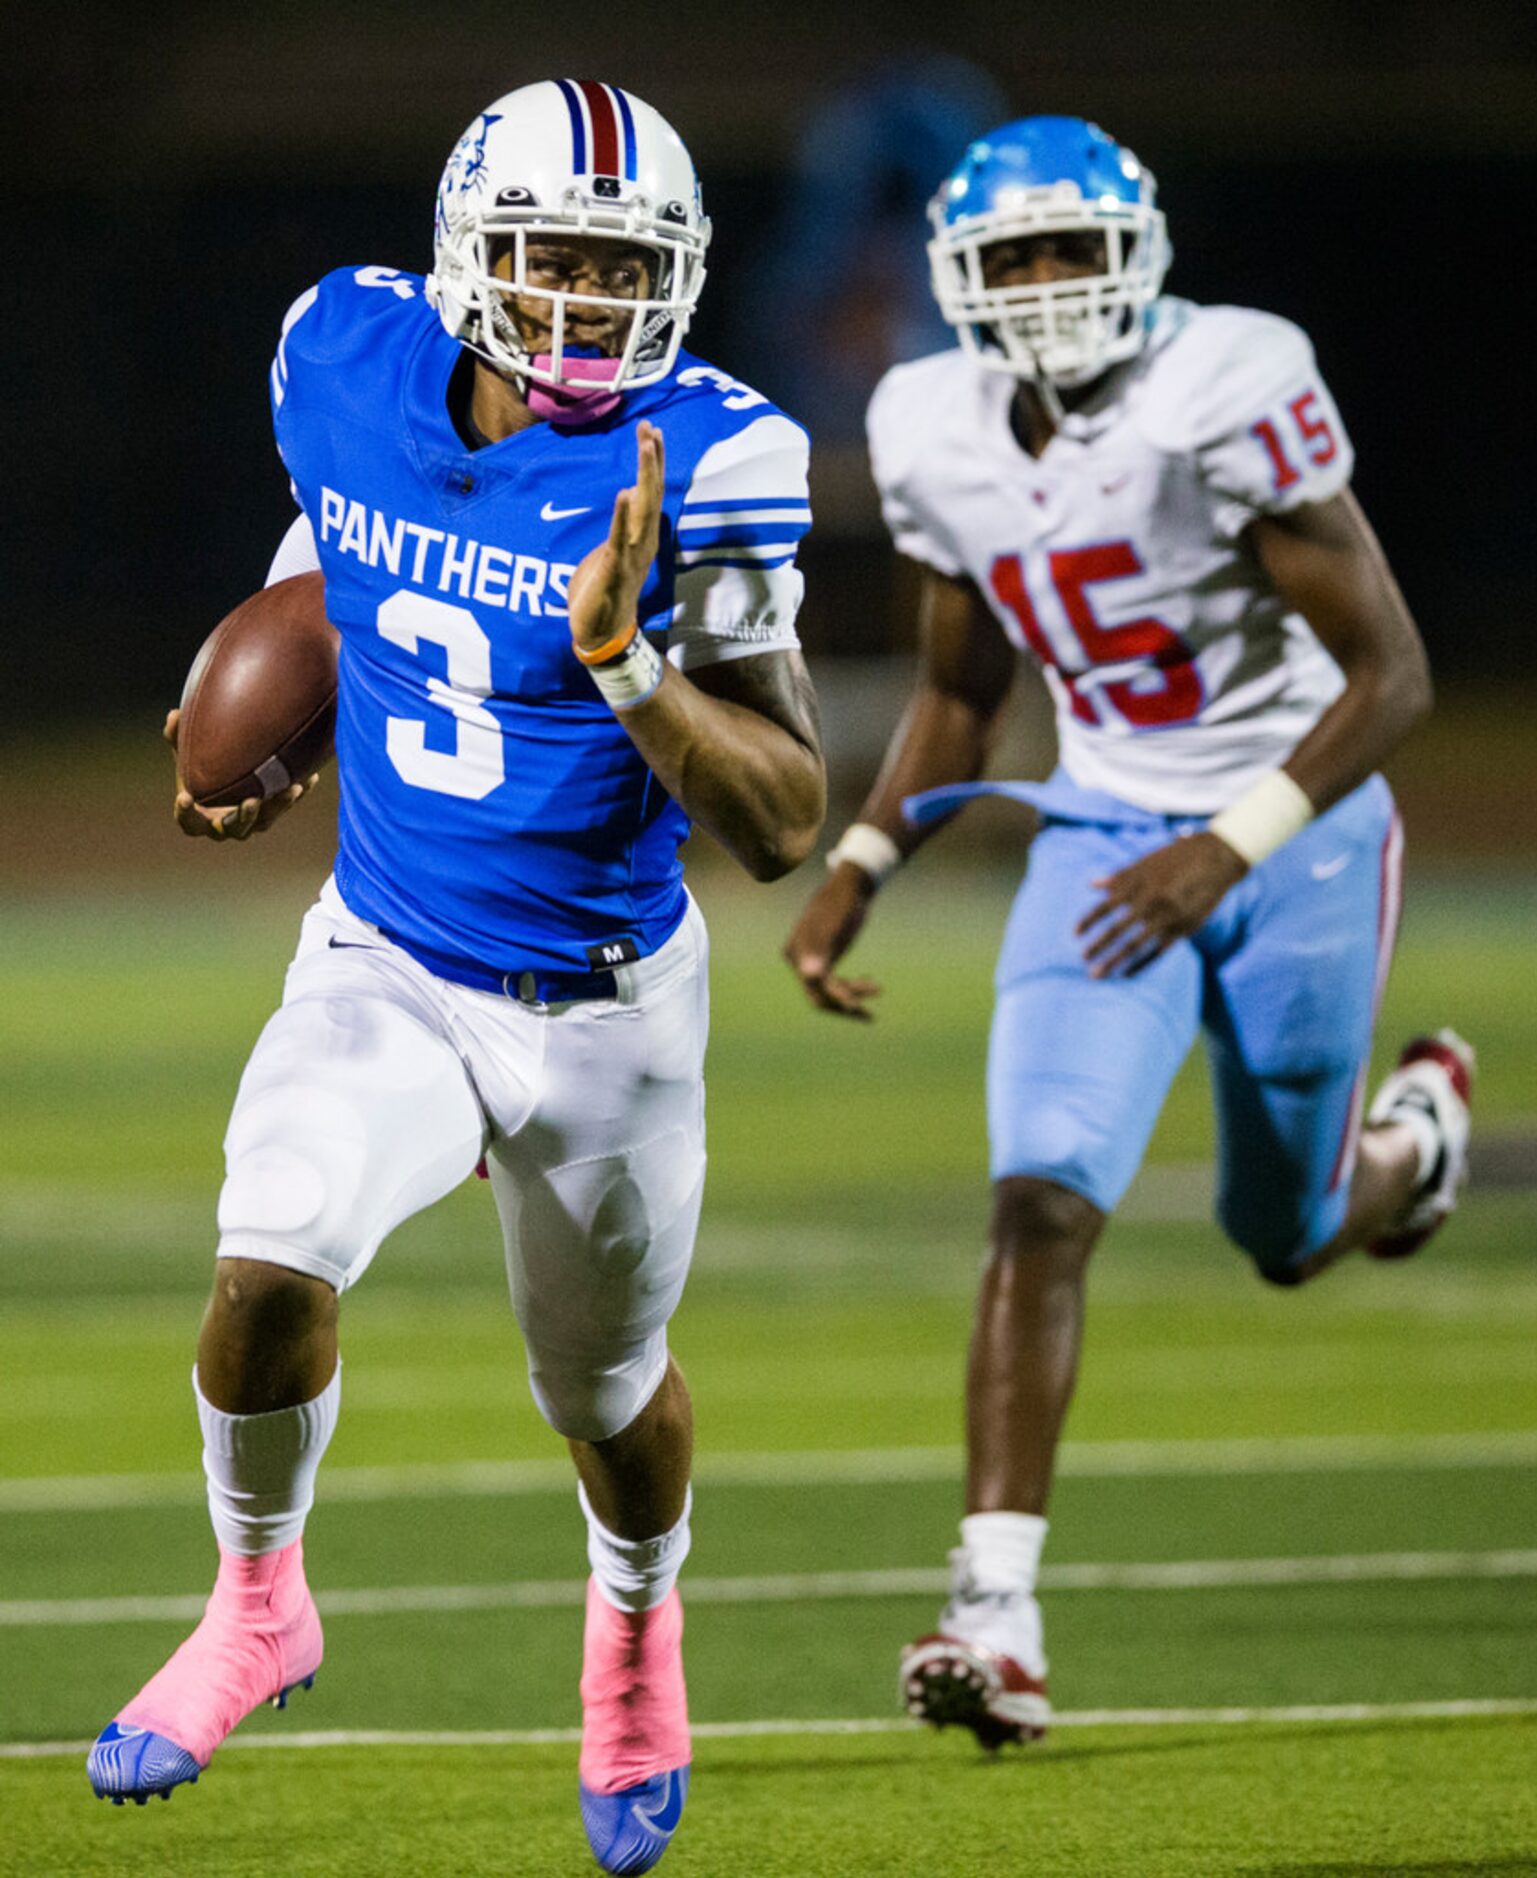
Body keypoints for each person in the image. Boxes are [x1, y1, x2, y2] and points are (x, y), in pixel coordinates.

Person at [87, 80, 825, 1875]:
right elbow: (334, 547)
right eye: (548, 257)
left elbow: (789, 812)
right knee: (269, 1257)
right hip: (391, 954)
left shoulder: (713, 461)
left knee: (607, 1397)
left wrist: (635, 665)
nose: (583, 301)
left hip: (601, 1001)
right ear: (463, 258)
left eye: (619, 267)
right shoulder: (338, 350)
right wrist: (265, 722)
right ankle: (260, 1602)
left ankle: (636, 1635)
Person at [784, 114, 1473, 1749]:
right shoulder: (932, 424)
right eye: (1006, 260)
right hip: (1102, 834)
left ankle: (1411, 1151)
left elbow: (1395, 677)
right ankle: (994, 1612)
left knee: (1285, 1230)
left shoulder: (1224, 385)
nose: (1039, 289)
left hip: (1294, 833)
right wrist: (863, 853)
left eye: (1065, 253)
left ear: (1137, 256)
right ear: (958, 282)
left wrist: (1223, 850)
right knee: (1036, 1202)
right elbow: (962, 687)